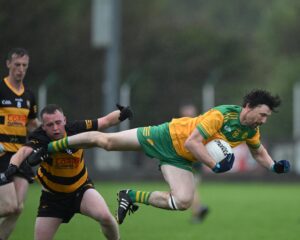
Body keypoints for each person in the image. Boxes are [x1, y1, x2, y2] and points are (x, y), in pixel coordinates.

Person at [41, 90, 290, 225]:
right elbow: (193, 142)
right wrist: (214, 164)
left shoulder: (251, 129)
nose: (264, 120)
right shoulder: (221, 115)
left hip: (180, 159)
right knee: (105, 142)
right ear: (248, 107)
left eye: (267, 116)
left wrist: (274, 166)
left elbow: (258, 152)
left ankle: (131, 196)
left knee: (183, 201)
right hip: (164, 137)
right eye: (263, 114)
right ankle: (50, 147)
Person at [1, 103, 132, 240]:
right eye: (50, 125)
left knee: (106, 217)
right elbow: (22, 152)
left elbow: (104, 121)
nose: (56, 128)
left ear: (64, 119)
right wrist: (13, 166)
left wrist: (122, 114)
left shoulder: (75, 128)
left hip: (81, 190)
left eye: (58, 122)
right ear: (43, 126)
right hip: (53, 197)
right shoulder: (39, 136)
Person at [0, 48, 39, 239]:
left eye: (24, 65)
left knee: (18, 209)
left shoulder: (29, 96)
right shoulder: (1, 88)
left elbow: (32, 123)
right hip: (2, 153)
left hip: (20, 154)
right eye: (17, 65)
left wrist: (50, 135)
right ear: (8, 64)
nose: (20, 69)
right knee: (9, 206)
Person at [178, 103, 209, 223]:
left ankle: (198, 211)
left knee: (190, 190)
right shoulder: (199, 127)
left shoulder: (185, 128)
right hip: (195, 164)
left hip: (190, 164)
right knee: (191, 189)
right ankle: (198, 211)